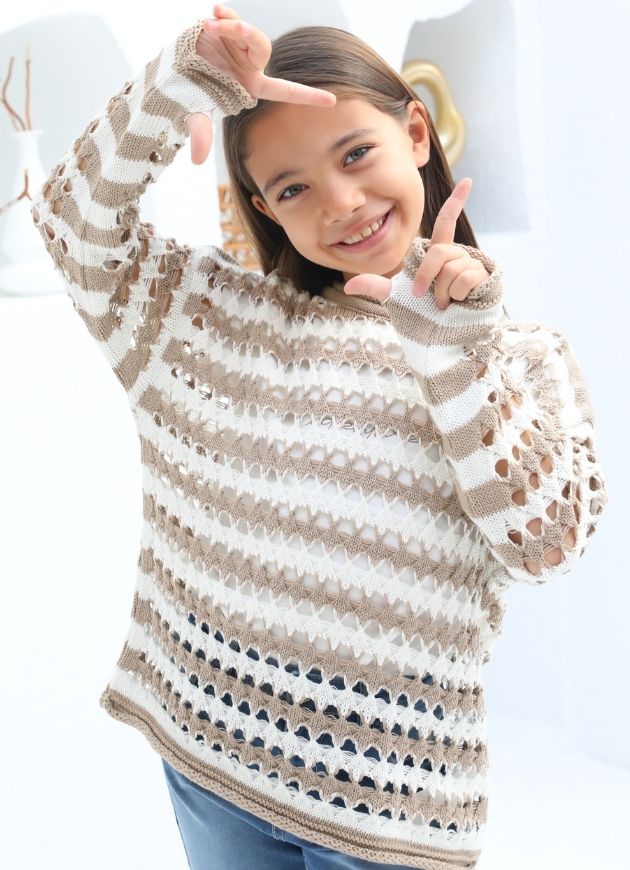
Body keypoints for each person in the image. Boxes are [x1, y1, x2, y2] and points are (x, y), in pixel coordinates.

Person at [30, 4, 608, 869]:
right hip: (212, 753)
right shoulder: (208, 323)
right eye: (294, 188)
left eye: (356, 153)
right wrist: (178, 82)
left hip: (388, 804)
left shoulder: (520, 359)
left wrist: (453, 356)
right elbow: (71, 221)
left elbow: (547, 544)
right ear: (263, 206)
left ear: (417, 131)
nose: (342, 202)